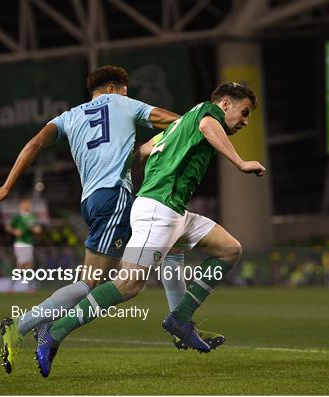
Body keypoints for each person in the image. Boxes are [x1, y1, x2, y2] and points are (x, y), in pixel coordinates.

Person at [0, 65, 222, 374]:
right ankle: (23, 325)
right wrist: (207, 129)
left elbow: (34, 144)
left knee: (171, 241)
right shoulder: (124, 103)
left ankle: (180, 325)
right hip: (114, 199)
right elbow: (182, 122)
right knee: (94, 282)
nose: (127, 94)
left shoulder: (68, 116)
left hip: (91, 200)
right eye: (126, 89)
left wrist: (6, 187)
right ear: (114, 87)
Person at [34, 82, 265, 377]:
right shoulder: (208, 114)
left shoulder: (180, 124)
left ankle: (180, 318)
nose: (245, 121)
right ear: (226, 105)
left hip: (173, 210)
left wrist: (142, 178)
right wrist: (240, 162)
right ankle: (53, 332)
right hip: (160, 210)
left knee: (230, 249)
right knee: (127, 285)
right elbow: (209, 125)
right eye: (244, 113)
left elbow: (143, 149)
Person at [6, 198, 42, 293]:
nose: (27, 206)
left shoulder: (31, 217)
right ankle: (27, 287)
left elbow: (38, 229)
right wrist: (15, 231)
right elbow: (8, 226)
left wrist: (34, 229)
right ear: (21, 206)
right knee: (24, 264)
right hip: (20, 243)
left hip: (29, 243)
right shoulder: (18, 217)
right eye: (25, 204)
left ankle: (14, 287)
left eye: (28, 204)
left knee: (26, 265)